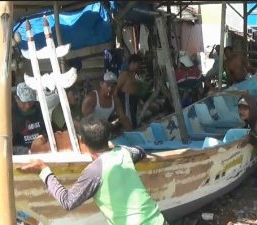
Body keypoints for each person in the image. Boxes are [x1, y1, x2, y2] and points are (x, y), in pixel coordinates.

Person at [18, 116, 167, 225]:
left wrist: (43, 170)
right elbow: (140, 151)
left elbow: (68, 201)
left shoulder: (95, 171)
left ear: (82, 141)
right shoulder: (124, 153)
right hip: (158, 220)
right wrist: (114, 147)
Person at [12, 82, 47, 155]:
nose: (28, 106)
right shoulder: (10, 114)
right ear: (16, 98)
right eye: (24, 102)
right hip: (20, 154)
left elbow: (47, 129)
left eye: (30, 102)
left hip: (41, 151)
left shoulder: (41, 108)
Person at [115, 54, 142, 129]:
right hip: (127, 98)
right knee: (130, 120)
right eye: (138, 64)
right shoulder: (124, 74)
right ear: (132, 63)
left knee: (133, 118)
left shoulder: (132, 74)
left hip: (133, 99)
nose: (139, 66)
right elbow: (117, 88)